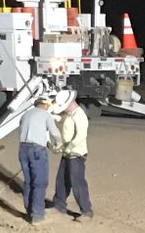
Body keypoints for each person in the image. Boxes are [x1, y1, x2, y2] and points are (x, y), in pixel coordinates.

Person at [50, 90, 94, 221]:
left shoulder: (80, 116)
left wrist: (66, 148)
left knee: (78, 183)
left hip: (76, 154)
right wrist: (52, 116)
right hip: (67, 153)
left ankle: (86, 211)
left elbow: (80, 137)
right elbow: (63, 119)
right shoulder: (70, 114)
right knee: (62, 180)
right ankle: (59, 205)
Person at [18, 95, 62, 225]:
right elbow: (55, 133)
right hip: (37, 151)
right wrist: (58, 144)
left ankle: (29, 211)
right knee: (40, 182)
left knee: (28, 181)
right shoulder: (46, 115)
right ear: (46, 105)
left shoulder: (25, 115)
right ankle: (37, 215)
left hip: (23, 149)